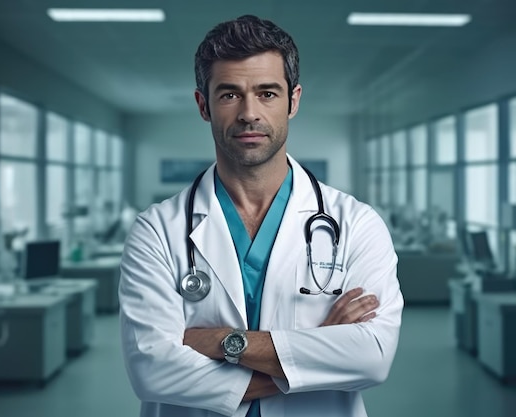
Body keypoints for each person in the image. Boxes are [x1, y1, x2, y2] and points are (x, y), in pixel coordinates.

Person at [119, 14, 403, 417]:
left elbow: (372, 357)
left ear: (294, 100)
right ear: (204, 105)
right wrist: (316, 351)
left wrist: (219, 341)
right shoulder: (158, 231)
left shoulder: (356, 223)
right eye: (229, 94)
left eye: (267, 93)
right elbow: (152, 370)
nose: (249, 113)